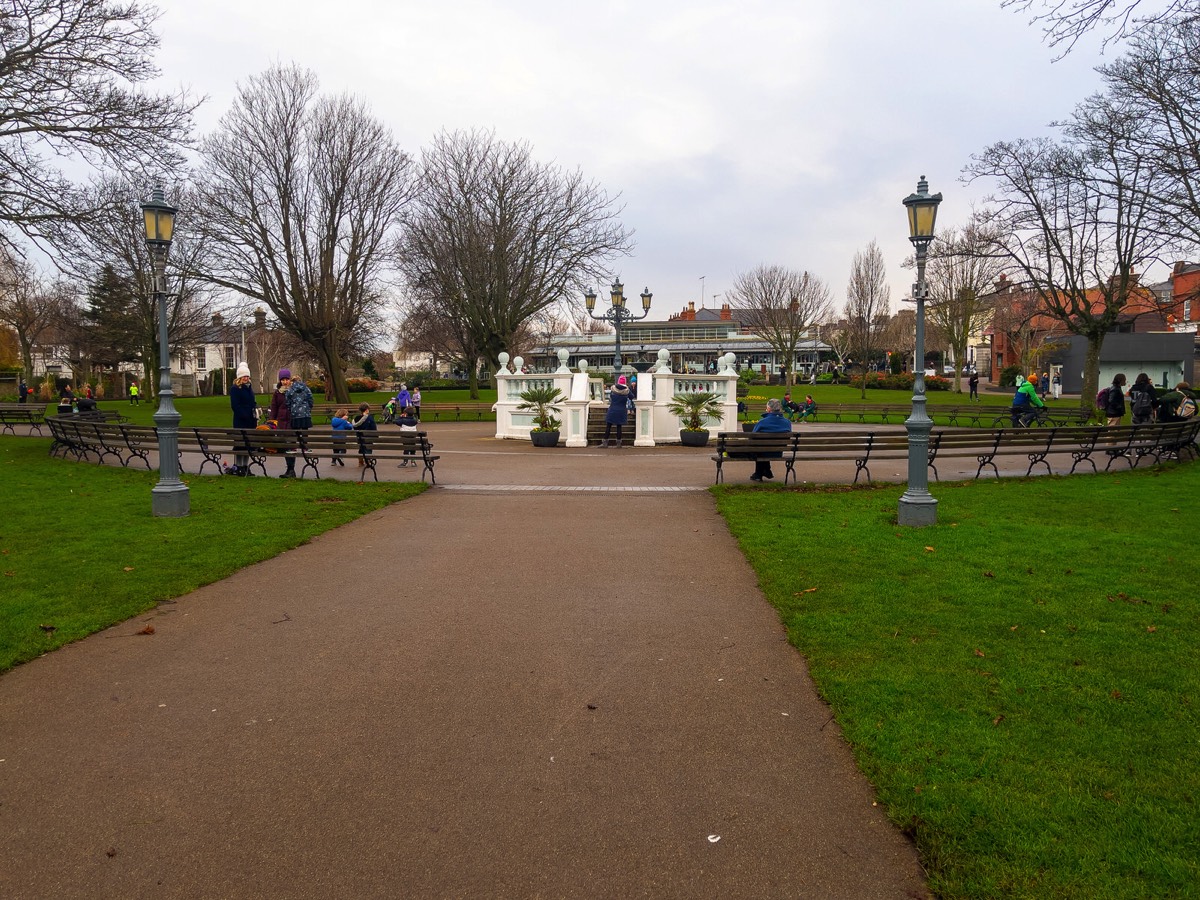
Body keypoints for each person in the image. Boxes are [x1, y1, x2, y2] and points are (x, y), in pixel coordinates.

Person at [750, 397, 792, 482]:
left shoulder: (762, 422)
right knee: (763, 449)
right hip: (778, 452)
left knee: (759, 449)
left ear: (768, 409)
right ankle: (765, 471)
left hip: (762, 452)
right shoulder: (787, 422)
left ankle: (760, 473)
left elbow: (752, 437)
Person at [229, 362, 258, 476]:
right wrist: (245, 414)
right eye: (244, 376)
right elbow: (235, 406)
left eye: (247, 376)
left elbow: (252, 402)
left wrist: (255, 409)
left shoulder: (249, 388)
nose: (246, 378)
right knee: (240, 444)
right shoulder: (235, 389)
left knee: (248, 444)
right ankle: (239, 466)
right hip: (241, 420)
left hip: (251, 420)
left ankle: (245, 466)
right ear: (239, 377)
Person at [599, 375, 631, 447]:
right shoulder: (627, 390)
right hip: (622, 410)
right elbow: (632, 397)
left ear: (618, 381)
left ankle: (605, 442)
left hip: (612, 409)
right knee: (619, 427)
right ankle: (619, 443)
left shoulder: (613, 389)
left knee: (608, 426)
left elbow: (610, 398)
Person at [352, 401, 377, 468]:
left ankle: (360, 461)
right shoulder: (370, 418)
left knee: (361, 448)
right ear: (366, 410)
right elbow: (373, 428)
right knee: (368, 448)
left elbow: (355, 428)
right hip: (368, 437)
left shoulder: (356, 419)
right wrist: (375, 436)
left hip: (359, 437)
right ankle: (368, 460)